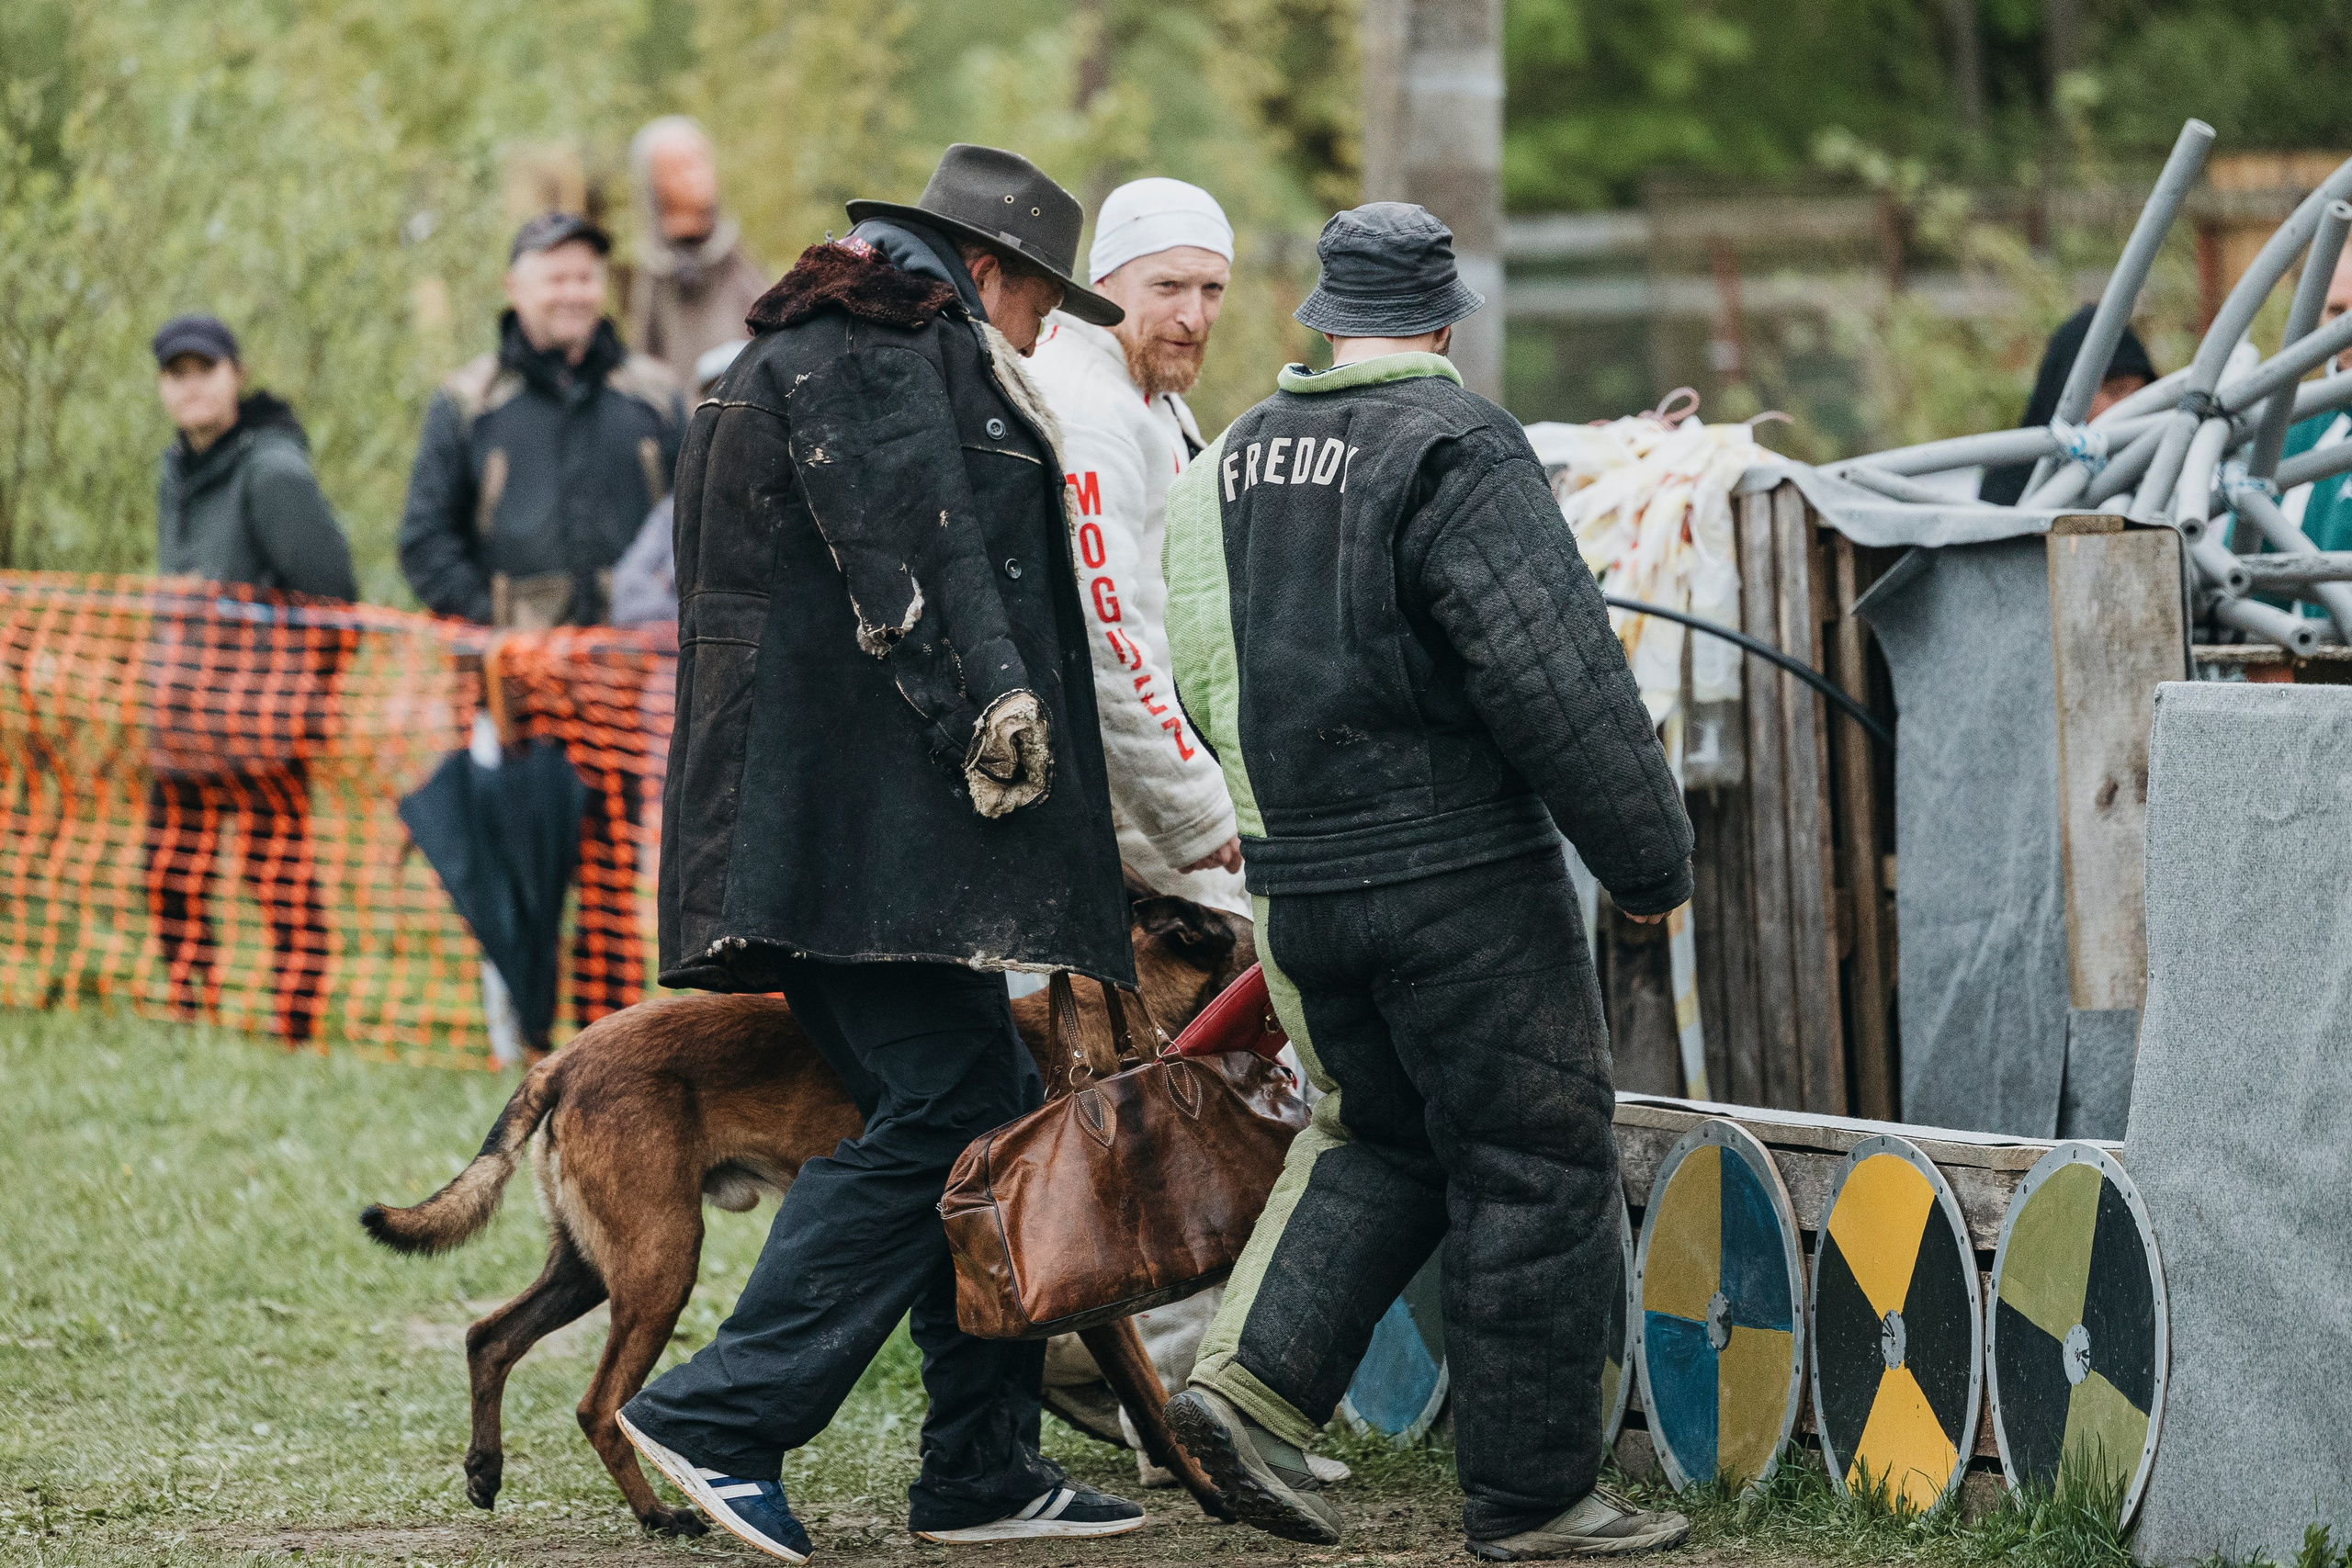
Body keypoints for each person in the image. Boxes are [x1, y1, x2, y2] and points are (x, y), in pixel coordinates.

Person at [615, 144, 1146, 1561]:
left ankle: (979, 1469)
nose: (1041, 333)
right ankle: (721, 1415)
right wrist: (992, 700)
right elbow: (912, 543)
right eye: (1040, 304)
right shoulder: (873, 345)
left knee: (979, 1111)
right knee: (952, 1101)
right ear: (986, 269)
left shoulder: (827, 340)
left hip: (843, 843)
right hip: (851, 849)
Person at [1159, 203, 1698, 1560]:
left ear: (1324, 317)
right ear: (1447, 320)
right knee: (1533, 1160)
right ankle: (1533, 1499)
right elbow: (1555, 677)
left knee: (1379, 1134)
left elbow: (1203, 681)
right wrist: (1647, 859)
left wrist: (1289, 838)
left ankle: (1247, 1391)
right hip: (1464, 883)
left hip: (1297, 882)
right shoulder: (1456, 445)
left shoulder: (1225, 462)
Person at [399, 212, 686, 1026]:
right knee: (513, 868)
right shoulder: (467, 402)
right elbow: (424, 540)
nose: (572, 291)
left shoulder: (656, 396)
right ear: (514, 287)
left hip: (622, 686)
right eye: (554, 275)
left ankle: (606, 1044)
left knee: (609, 875)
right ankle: (520, 1039)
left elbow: (699, 521)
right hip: (508, 688)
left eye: (585, 275)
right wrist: (497, 628)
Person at [1027, 177, 1248, 919]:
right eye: (1168, 286)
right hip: (1128, 804)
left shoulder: (1140, 389)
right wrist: (1194, 807)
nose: (1194, 315)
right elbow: (1102, 636)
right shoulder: (1088, 408)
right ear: (1105, 282)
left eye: (1212, 289)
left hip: (1147, 777)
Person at [144, 314, 356, 1043]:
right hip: (180, 720)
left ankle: (292, 1027)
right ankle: (189, 1010)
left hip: (259, 726)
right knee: (169, 878)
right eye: (176, 373)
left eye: (205, 369)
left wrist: (303, 699)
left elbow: (335, 597)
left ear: (236, 373)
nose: (192, 386)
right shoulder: (174, 470)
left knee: (280, 885)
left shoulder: (273, 471)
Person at [626, 117, 772, 386]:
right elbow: (647, 371)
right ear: (654, 185)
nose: (698, 176)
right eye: (679, 168)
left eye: (700, 162)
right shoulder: (655, 278)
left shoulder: (737, 264)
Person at [1977, 303, 2158, 506]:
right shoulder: (2009, 481)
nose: (2131, 406)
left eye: (2141, 395)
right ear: (2063, 393)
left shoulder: (2157, 473)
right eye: (2115, 391)